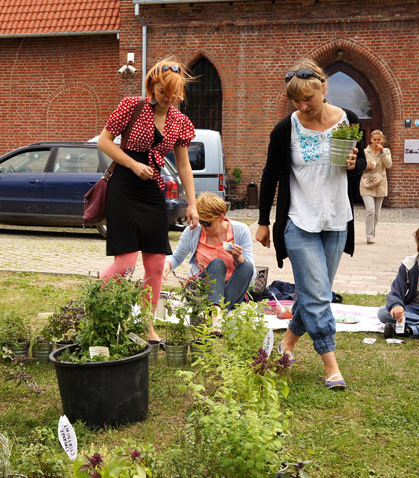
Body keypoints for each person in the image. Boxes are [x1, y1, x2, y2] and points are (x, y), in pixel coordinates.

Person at [255, 59, 366, 390]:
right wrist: (263, 221)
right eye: (296, 101)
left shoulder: (349, 121)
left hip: (336, 220)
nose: (303, 106)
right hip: (299, 220)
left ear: (324, 89)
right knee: (319, 295)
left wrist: (355, 162)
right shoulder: (285, 128)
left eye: (309, 99)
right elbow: (270, 175)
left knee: (312, 293)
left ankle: (286, 346)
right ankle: (331, 365)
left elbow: (359, 163)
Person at [98, 57, 199, 343]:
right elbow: (104, 142)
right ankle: (93, 303)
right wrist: (132, 164)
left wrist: (192, 203)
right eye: (162, 93)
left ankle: (146, 325)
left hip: (152, 190)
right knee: (125, 264)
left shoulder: (180, 121)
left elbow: (183, 166)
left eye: (174, 95)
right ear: (151, 86)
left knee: (155, 265)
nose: (168, 99)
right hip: (125, 188)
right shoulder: (132, 106)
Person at [163, 192, 255, 323]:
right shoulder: (193, 231)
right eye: (201, 222)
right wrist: (167, 264)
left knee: (247, 265)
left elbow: (251, 274)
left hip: (228, 290)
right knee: (217, 264)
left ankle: (215, 314)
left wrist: (238, 258)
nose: (203, 227)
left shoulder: (240, 230)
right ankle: (218, 317)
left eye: (208, 223)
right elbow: (177, 258)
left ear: (221, 217)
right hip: (199, 290)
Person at [361, 129, 392, 244]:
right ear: (370, 140)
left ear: (382, 140)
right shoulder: (365, 152)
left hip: (380, 184)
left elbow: (388, 165)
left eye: (379, 139)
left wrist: (382, 152)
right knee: (370, 210)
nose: (377, 142)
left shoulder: (386, 151)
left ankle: (371, 232)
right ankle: (369, 236)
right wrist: (366, 166)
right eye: (374, 139)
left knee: (377, 214)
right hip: (366, 183)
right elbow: (360, 166)